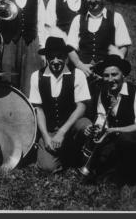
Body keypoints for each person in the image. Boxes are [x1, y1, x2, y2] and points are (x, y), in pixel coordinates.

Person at [82, 54, 136, 185]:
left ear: (123, 75)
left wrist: (116, 130)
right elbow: (101, 118)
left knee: (125, 140)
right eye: (106, 75)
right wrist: (94, 128)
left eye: (114, 74)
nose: (110, 79)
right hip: (114, 140)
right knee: (99, 172)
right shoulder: (102, 93)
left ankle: (134, 175)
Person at [28, 36, 92, 174]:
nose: (56, 61)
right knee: (47, 167)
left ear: (66, 57)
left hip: (71, 127)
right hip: (50, 130)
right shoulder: (36, 76)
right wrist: (46, 137)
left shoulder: (77, 74)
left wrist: (62, 132)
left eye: (60, 57)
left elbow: (82, 107)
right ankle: (64, 157)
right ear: (46, 58)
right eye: (51, 57)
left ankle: (78, 156)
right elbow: (38, 109)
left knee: (86, 126)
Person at [67, 0, 132, 79]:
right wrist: (80, 65)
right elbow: (70, 48)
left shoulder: (116, 18)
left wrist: (112, 68)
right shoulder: (78, 19)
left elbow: (123, 47)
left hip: (107, 75)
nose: (93, 0)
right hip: (82, 72)